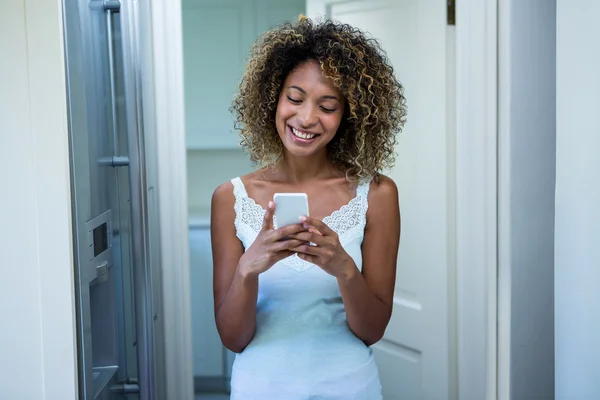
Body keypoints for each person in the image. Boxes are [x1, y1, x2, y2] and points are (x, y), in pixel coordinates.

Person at [210, 15, 405, 399]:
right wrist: (249, 268)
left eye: (327, 106)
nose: (306, 118)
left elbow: (372, 330)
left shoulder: (377, 194)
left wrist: (344, 268)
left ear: (349, 115)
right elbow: (234, 338)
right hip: (260, 389)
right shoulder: (229, 199)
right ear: (272, 99)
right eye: (295, 98)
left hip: (349, 388)